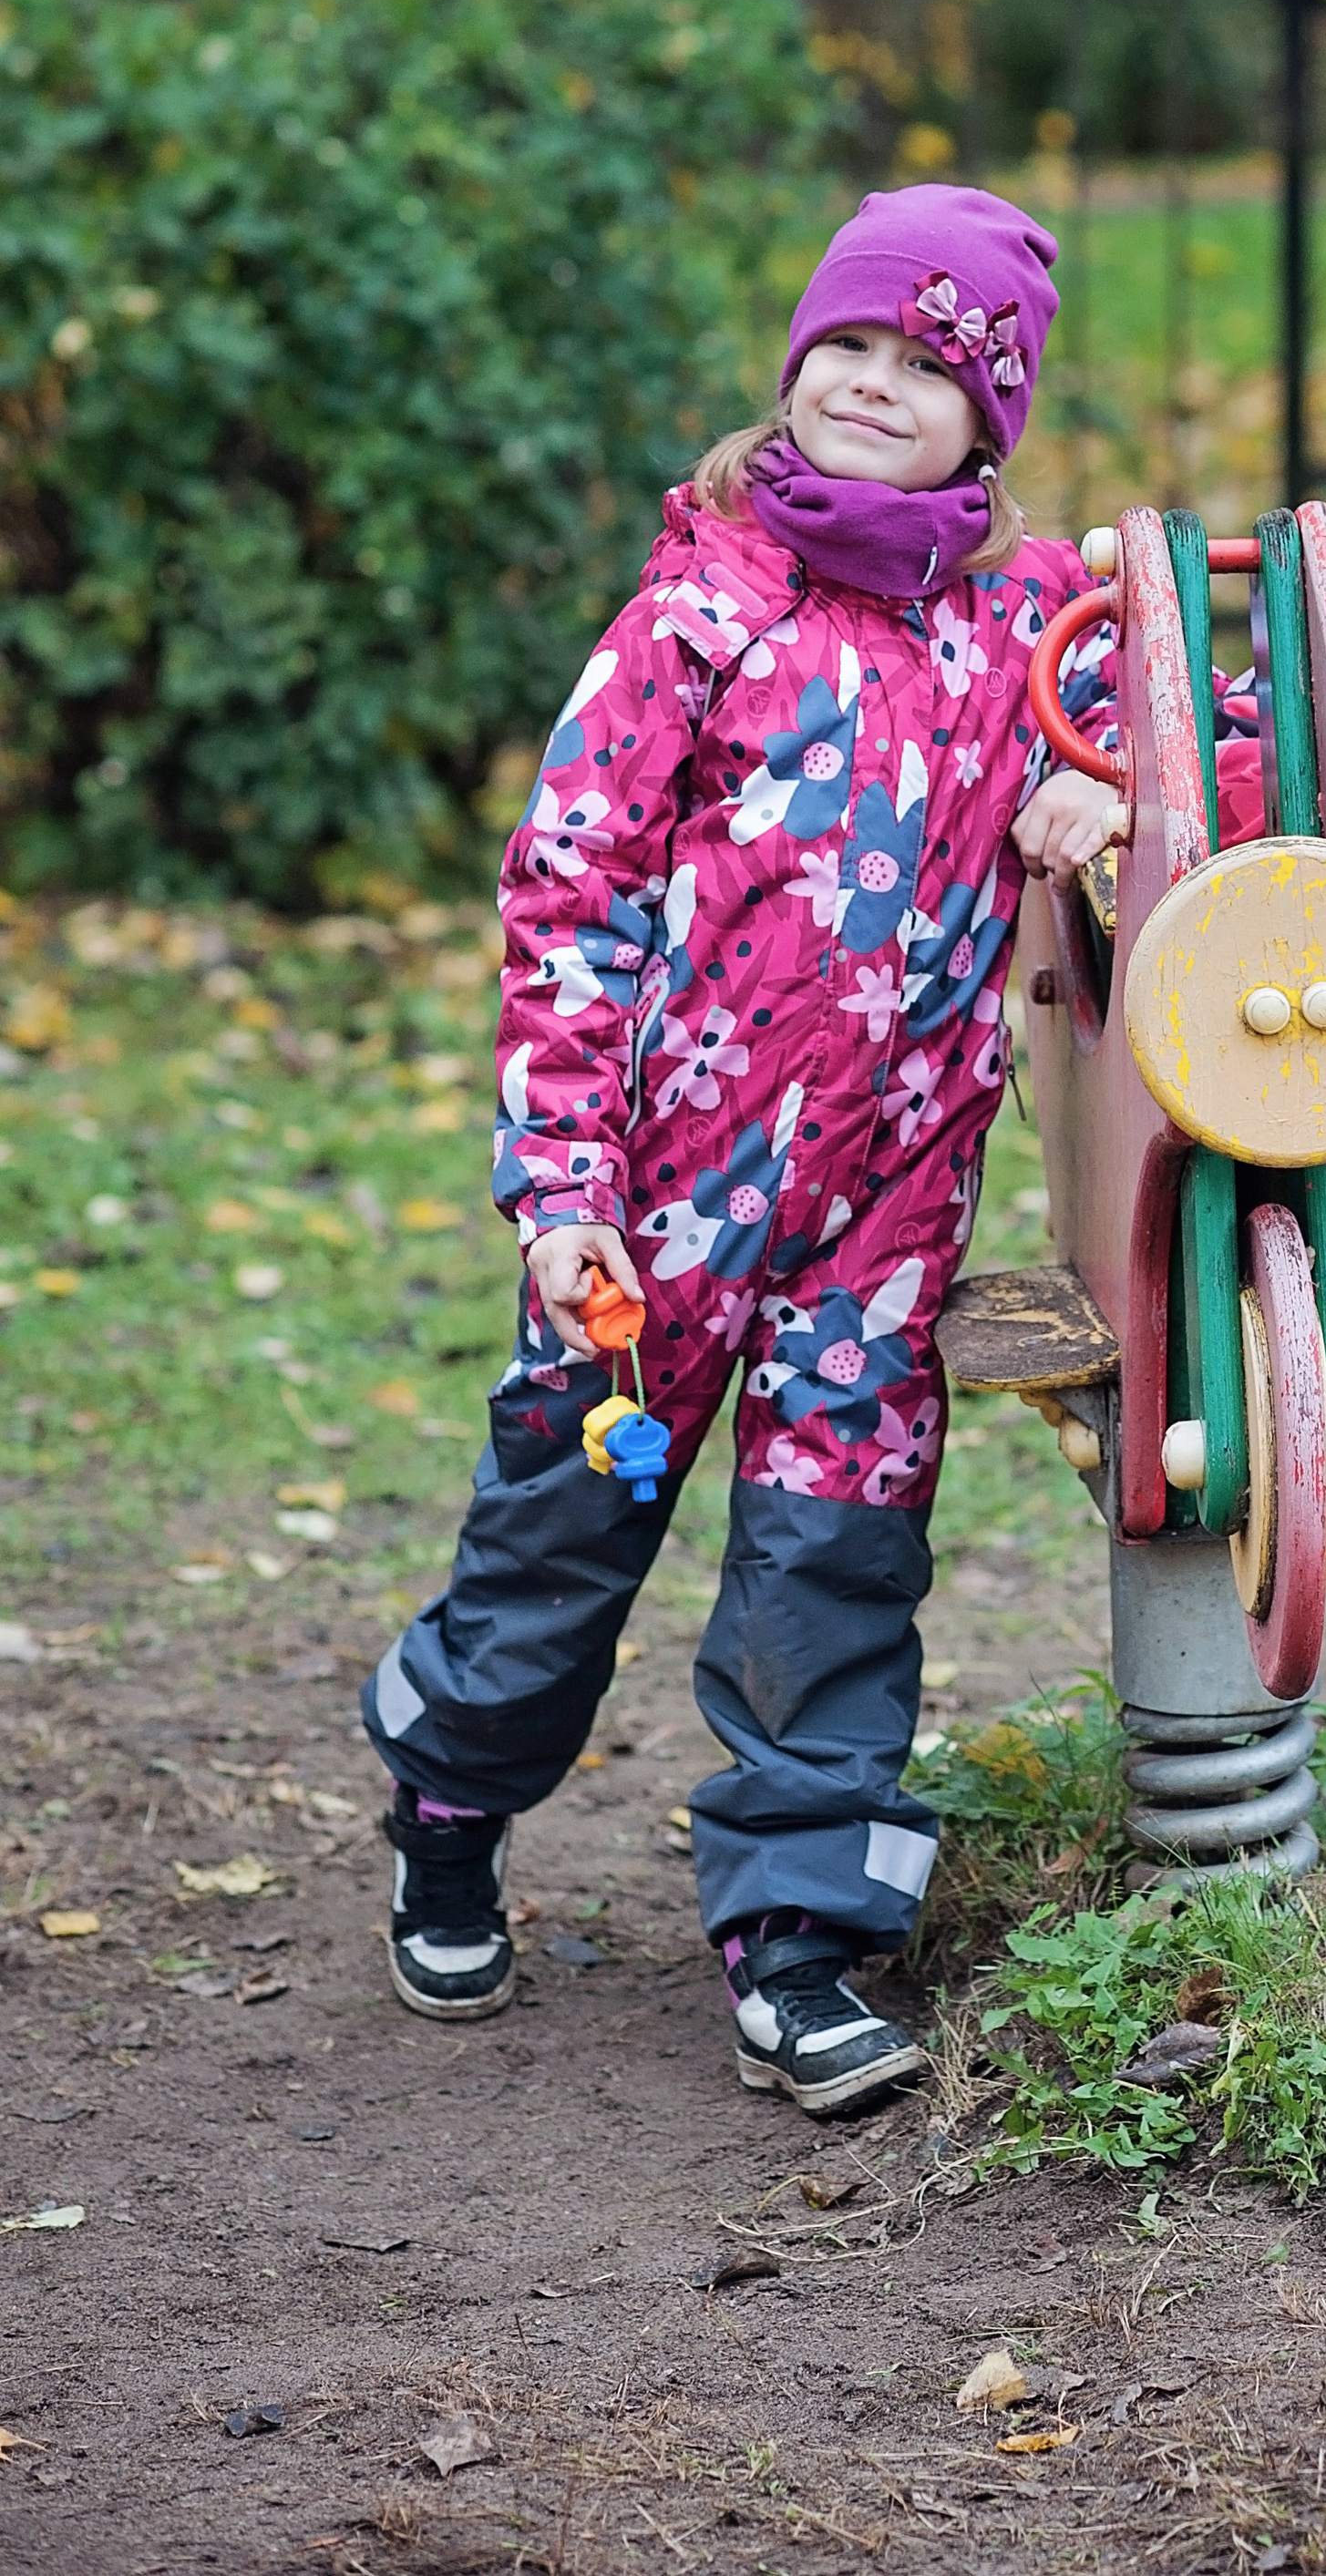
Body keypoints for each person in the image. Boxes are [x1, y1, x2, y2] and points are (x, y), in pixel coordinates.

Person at [362, 185, 1122, 2113]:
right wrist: (559, 1189)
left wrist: (1095, 786)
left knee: (833, 1558)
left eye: (926, 365)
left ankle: (800, 1935)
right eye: (847, 348)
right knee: (560, 1533)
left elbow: (1246, 716)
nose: (874, 385)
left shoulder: (1036, 632)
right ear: (793, 368)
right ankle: (450, 1793)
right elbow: (568, 898)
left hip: (881, 1217)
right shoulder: (697, 611)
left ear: (990, 419)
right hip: (650, 1210)